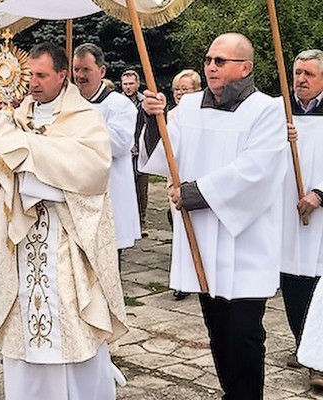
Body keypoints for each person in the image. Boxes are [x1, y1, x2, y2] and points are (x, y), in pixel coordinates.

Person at [140, 33, 288, 399]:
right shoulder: (189, 108)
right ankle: (230, 393)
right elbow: (163, 153)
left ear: (246, 67)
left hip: (246, 244)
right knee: (218, 331)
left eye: (220, 61)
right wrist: (151, 119)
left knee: (244, 333)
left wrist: (193, 193)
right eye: (208, 59)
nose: (211, 66)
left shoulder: (267, 109)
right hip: (202, 241)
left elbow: (257, 170)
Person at [0, 42, 127, 400]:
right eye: (30, 75)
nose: (33, 83)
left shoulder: (85, 117)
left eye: (42, 75)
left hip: (65, 241)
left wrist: (27, 155)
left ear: (63, 75)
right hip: (22, 244)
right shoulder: (14, 115)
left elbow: (93, 170)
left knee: (72, 327)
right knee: (25, 327)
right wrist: (26, 156)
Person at [73, 43, 140, 264]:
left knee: (107, 268)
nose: (80, 76)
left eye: (86, 70)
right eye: (76, 69)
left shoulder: (120, 105)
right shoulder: (68, 103)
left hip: (110, 194)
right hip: (76, 194)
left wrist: (75, 131)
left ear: (101, 71)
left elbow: (119, 143)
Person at [281, 49, 323, 388]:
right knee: (294, 284)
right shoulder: (281, 112)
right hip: (287, 214)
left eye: (308, 73)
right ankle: (303, 347)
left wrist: (320, 193)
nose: (300, 79)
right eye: (297, 72)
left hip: (320, 215)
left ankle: (318, 358)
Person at [166, 69, 203, 301]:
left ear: (197, 90)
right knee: (179, 230)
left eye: (185, 89)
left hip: (197, 181)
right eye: (177, 89)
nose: (179, 94)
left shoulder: (204, 114)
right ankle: (182, 281)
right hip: (176, 181)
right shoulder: (171, 115)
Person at [122, 69, 149, 236]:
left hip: (141, 149)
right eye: (125, 84)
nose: (128, 87)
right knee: (127, 186)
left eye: (131, 83)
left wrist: (140, 144)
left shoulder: (144, 102)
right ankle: (128, 222)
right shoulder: (118, 102)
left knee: (142, 187)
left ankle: (142, 221)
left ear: (137, 84)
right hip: (126, 150)